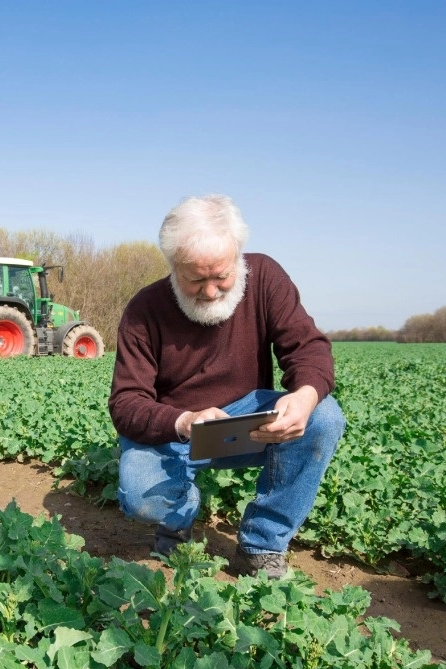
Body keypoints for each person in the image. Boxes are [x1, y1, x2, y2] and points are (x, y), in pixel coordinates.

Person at [108, 194, 345, 579]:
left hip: (248, 422)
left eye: (222, 276)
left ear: (238, 256)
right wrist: (184, 421)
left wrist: (304, 396)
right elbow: (125, 402)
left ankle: (263, 544)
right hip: (177, 429)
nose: (212, 291)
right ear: (172, 266)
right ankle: (178, 518)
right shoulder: (144, 311)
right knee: (140, 496)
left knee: (324, 417)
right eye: (196, 279)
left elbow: (308, 348)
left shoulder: (265, 277)